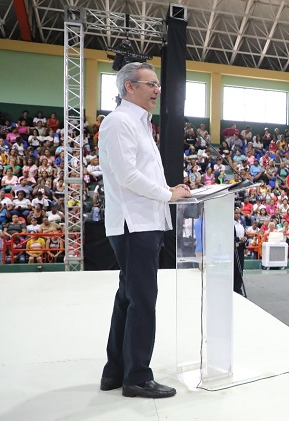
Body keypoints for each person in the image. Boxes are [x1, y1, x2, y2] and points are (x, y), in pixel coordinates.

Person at [98, 62, 191, 399]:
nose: (157, 90)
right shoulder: (120, 122)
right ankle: (137, 376)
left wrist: (168, 189)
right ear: (129, 87)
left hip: (142, 222)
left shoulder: (138, 124)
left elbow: (141, 176)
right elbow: (128, 177)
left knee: (128, 297)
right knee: (143, 301)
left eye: (157, 85)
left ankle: (115, 371)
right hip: (133, 224)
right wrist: (168, 194)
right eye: (150, 84)